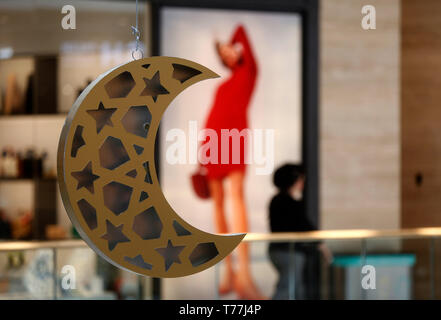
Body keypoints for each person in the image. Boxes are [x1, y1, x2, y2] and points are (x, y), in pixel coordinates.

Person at [199, 24, 263, 299]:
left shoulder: (248, 73)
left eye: (230, 50)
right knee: (218, 203)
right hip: (213, 141)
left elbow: (242, 32)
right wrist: (202, 151)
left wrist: (230, 41)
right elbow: (211, 117)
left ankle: (245, 273)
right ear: (223, 62)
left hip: (235, 139)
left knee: (236, 195)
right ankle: (228, 270)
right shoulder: (223, 86)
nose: (228, 54)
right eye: (222, 54)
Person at [268, 164, 332, 300]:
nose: (302, 183)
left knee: (294, 286)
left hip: (280, 250)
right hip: (288, 251)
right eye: (300, 179)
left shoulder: (278, 201)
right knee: (288, 287)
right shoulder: (289, 203)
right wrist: (320, 244)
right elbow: (304, 226)